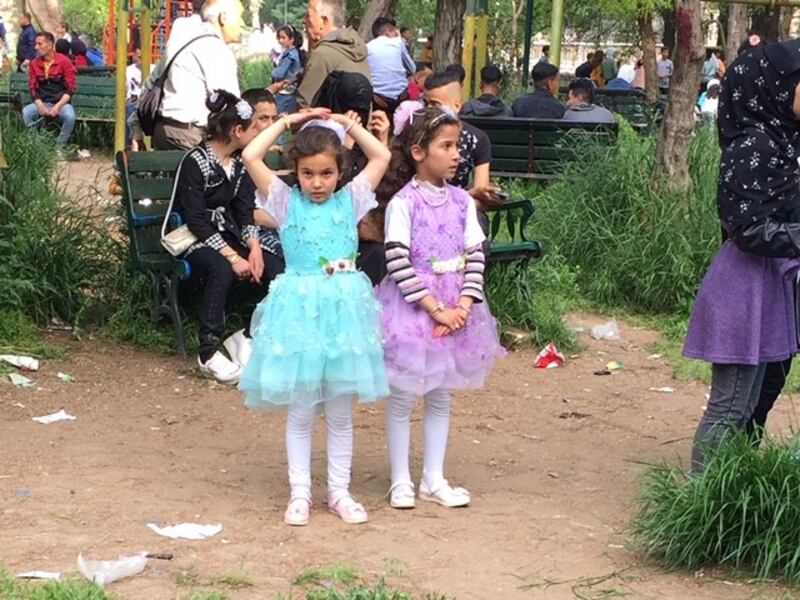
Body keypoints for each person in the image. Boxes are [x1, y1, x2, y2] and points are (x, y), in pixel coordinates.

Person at [239, 108, 392, 526]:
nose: (317, 183)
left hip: (343, 317)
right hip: (299, 316)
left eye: (326, 173)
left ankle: (339, 492)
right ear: (296, 172)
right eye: (308, 174)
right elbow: (251, 155)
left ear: (340, 170)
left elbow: (380, 157)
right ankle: (300, 493)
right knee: (302, 410)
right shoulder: (285, 202)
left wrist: (349, 126)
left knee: (340, 413)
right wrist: (290, 121)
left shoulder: (352, 198)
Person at [375, 106, 504, 509]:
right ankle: (400, 480)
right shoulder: (403, 203)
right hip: (414, 311)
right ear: (418, 151)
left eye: (457, 147)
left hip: (455, 306)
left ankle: (433, 477)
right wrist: (435, 309)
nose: (456, 155)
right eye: (445, 146)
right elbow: (396, 259)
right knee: (402, 396)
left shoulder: (464, 202)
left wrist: (465, 303)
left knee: (441, 395)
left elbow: (475, 253)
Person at [683, 39, 800, 471]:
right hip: (742, 287)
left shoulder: (784, 141)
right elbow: (746, 227)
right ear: (776, 87)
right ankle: (699, 501)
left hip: (769, 285)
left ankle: (730, 486)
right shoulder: (753, 147)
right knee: (730, 407)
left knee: (752, 402)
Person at [167, 90, 262, 383]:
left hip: (226, 234)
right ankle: (208, 351)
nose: (257, 132)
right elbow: (195, 219)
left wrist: (254, 247)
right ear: (237, 130)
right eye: (253, 127)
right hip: (193, 238)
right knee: (221, 269)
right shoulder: (195, 162)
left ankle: (246, 334)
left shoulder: (239, 165)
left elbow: (245, 210)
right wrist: (233, 256)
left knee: (270, 263)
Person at [150, 0, 244, 150]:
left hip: (163, 131)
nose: (242, 22)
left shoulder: (180, 39)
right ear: (223, 17)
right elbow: (232, 107)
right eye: (240, 16)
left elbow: (152, 81)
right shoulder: (216, 49)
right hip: (190, 137)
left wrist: (135, 128)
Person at [298, 0, 371, 108]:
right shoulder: (357, 47)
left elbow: (304, 105)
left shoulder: (322, 54)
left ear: (324, 21)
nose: (304, 21)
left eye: (308, 16)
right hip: (358, 124)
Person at [22, 32, 77, 146]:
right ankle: (36, 146)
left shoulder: (64, 62)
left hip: (60, 103)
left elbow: (71, 89)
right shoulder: (34, 63)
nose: (36, 47)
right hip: (42, 102)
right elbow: (32, 88)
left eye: (39, 44)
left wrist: (57, 107)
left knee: (70, 116)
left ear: (50, 45)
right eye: (36, 44)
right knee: (26, 112)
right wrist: (40, 105)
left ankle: (59, 148)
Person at [367, 17, 415, 120]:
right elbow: (412, 68)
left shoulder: (367, 47)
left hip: (378, 99)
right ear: (389, 31)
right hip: (401, 98)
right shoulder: (398, 43)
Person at [271, 25, 305, 115]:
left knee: (277, 118)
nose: (280, 40)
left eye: (283, 37)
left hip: (284, 91)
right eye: (279, 38)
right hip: (292, 90)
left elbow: (279, 74)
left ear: (291, 39)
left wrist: (273, 68)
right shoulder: (296, 52)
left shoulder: (289, 55)